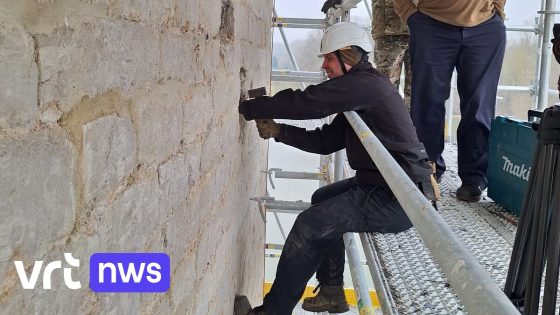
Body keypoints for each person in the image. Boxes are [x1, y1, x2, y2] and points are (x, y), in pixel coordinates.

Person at [238, 22, 433, 315]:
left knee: (308, 224)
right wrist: (280, 130)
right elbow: (326, 141)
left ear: (348, 56)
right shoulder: (362, 90)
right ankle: (332, 291)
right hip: (384, 186)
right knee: (321, 200)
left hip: (397, 197)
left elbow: (309, 103)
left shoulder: (365, 85)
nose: (326, 66)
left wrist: (255, 107)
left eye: (329, 58)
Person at [394, 0, 507, 202]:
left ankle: (474, 178)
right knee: (427, 103)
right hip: (431, 24)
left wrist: (497, 10)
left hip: (485, 27)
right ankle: (427, 169)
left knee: (479, 106)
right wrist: (410, 14)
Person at [372, 0, 412, 109]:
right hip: (388, 30)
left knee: (417, 90)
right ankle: (388, 125)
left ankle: (412, 125)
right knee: (386, 90)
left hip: (419, 28)